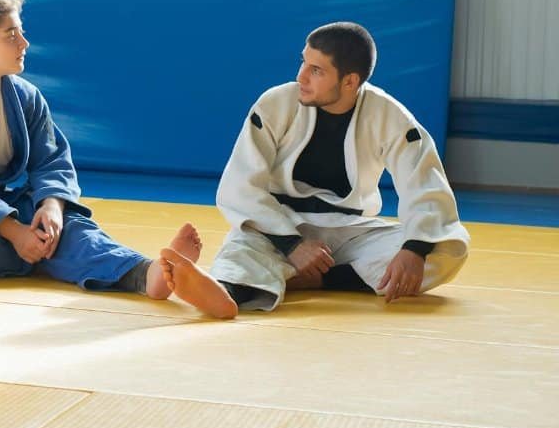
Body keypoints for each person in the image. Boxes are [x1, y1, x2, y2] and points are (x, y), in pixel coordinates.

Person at [0, 0, 202, 299]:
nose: (24, 43)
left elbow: (51, 160)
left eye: (21, 32)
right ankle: (54, 258)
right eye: (11, 35)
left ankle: (141, 272)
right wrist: (15, 232)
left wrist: (51, 206)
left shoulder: (25, 97)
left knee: (59, 223)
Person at [161, 22, 470, 319]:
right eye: (303, 63)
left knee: (446, 248)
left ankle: (309, 278)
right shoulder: (274, 105)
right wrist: (292, 245)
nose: (301, 76)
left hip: (349, 232)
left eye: (316, 70)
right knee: (243, 252)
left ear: (350, 81)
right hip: (279, 226)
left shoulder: (390, 117)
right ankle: (224, 292)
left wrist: (414, 249)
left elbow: (425, 185)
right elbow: (239, 186)